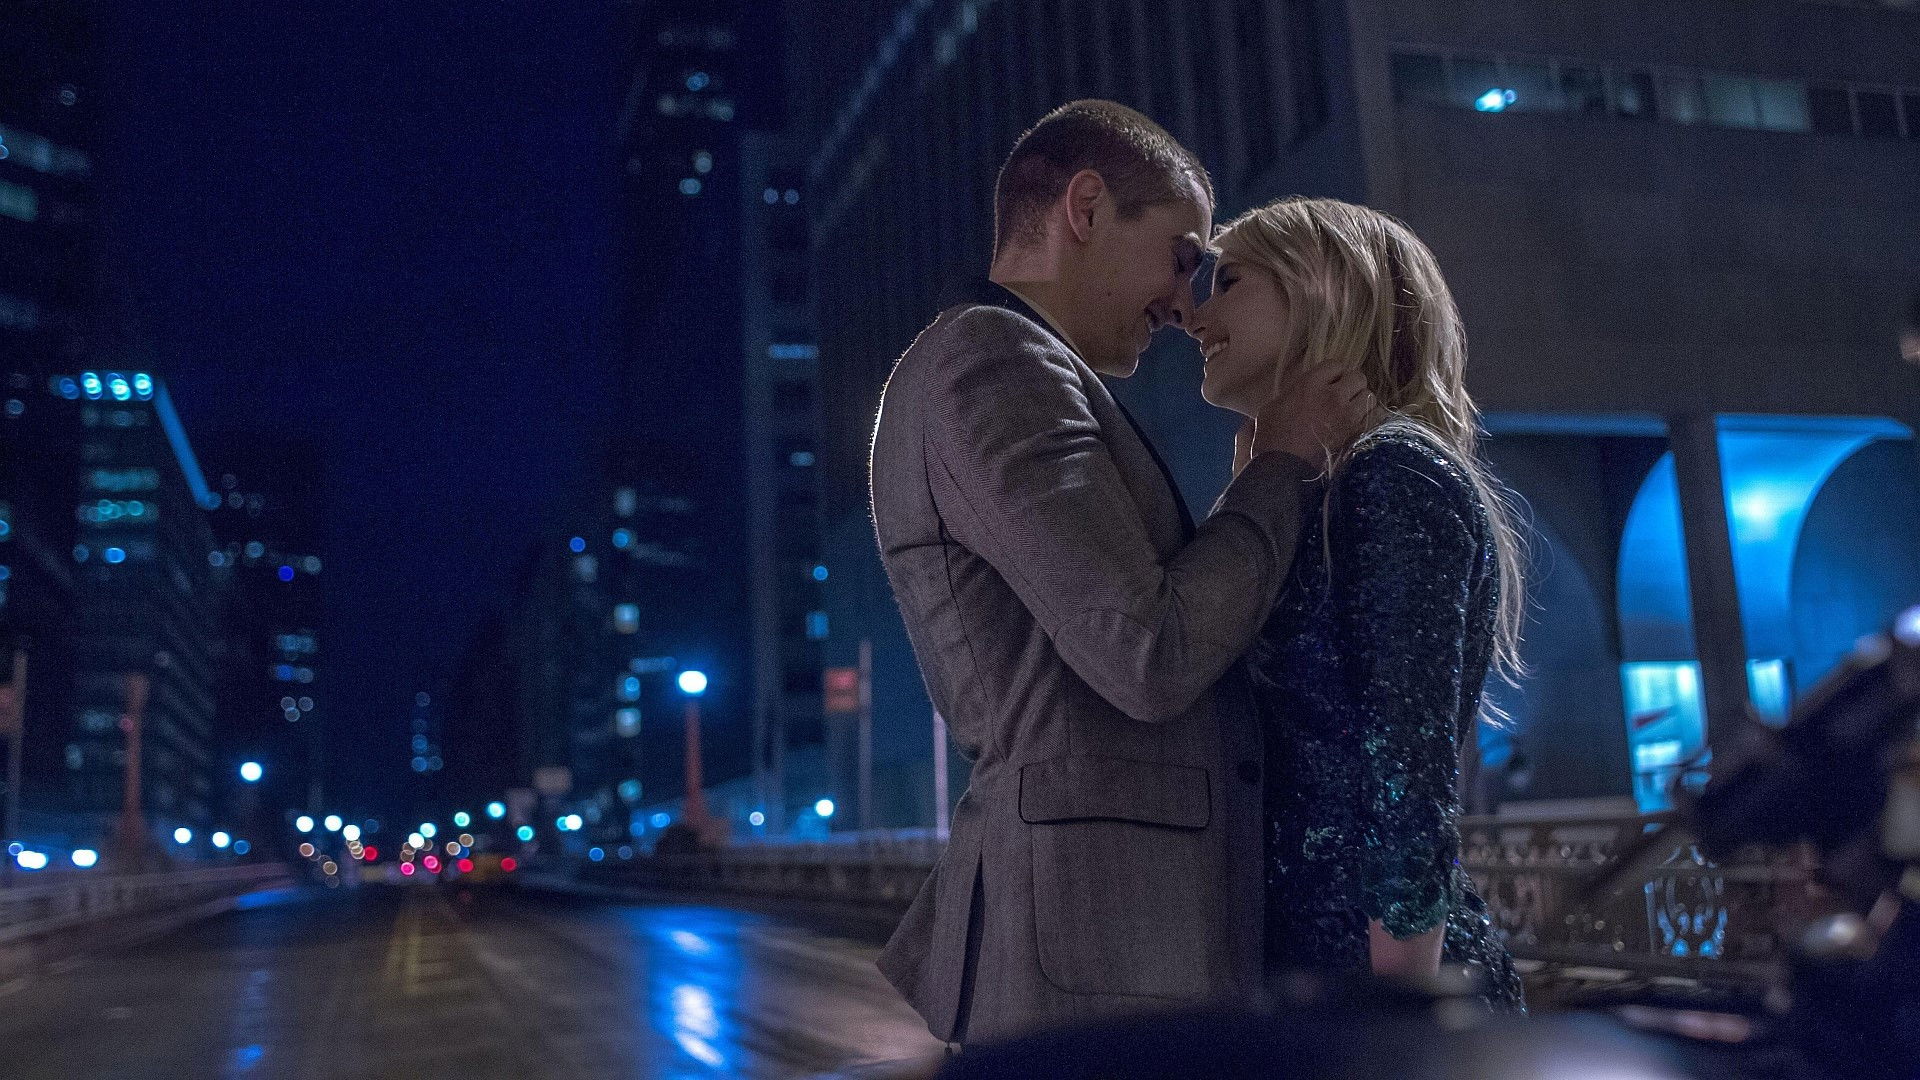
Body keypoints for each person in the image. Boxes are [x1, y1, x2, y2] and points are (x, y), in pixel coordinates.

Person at [869, 102, 1374, 1047]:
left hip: (1103, 942)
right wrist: (1283, 463)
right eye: (1180, 257)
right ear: (1087, 208)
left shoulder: (1005, 363)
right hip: (1100, 949)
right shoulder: (997, 362)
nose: (1185, 302)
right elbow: (1147, 653)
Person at [1187, 197, 1526, 1010]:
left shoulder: (1392, 473)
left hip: (1369, 994)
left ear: (1321, 290)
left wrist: (1399, 1022)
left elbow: (1406, 774)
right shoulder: (1329, 481)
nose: (1196, 318)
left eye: (1229, 282)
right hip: (1312, 984)